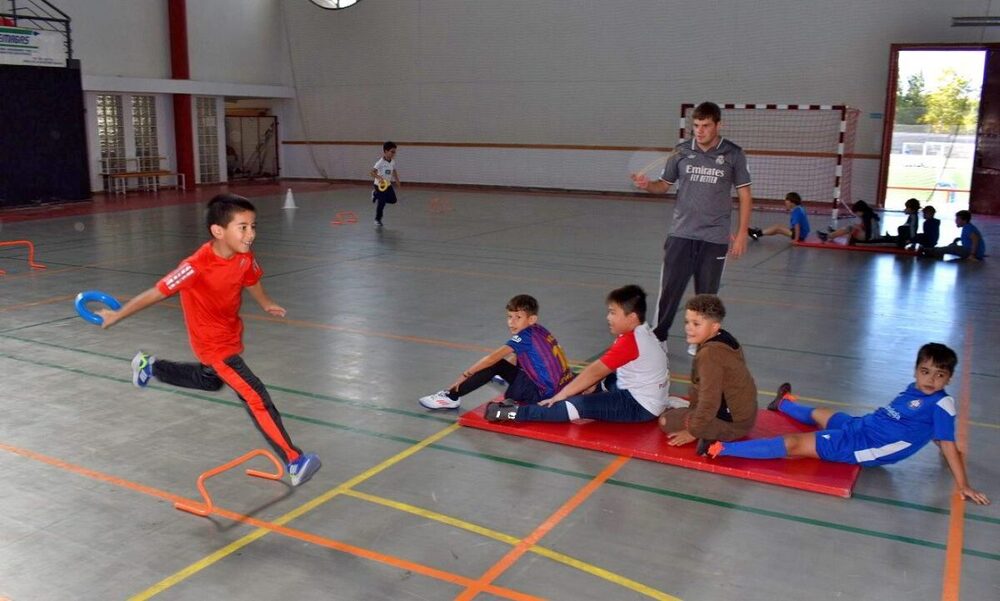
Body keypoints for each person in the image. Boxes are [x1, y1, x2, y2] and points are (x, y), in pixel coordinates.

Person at [95, 194, 322, 487]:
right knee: (255, 395)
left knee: (210, 381)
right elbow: (156, 292)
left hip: (229, 334)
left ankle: (149, 367)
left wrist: (266, 303)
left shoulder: (243, 257)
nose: (251, 234)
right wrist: (117, 315)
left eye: (253, 226)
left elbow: (251, 279)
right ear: (218, 231)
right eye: (242, 227)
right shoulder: (195, 266)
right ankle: (294, 460)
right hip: (213, 345)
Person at [706, 343, 990, 506]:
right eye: (925, 372)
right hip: (862, 426)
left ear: (949, 379)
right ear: (915, 370)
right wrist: (938, 442)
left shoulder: (941, 403)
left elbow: (948, 441)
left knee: (795, 444)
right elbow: (927, 429)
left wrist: (963, 484)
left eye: (939, 375)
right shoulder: (915, 389)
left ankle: (720, 448)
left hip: (863, 446)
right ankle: (783, 405)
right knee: (826, 414)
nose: (930, 380)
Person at [631, 101, 753, 357]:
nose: (699, 131)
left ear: (718, 125)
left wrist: (741, 233)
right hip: (681, 234)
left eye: (706, 126)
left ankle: (700, 340)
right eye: (696, 125)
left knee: (707, 295)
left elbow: (745, 195)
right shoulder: (681, 152)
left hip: (715, 236)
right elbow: (663, 185)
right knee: (670, 289)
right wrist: (647, 185)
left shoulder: (733, 154)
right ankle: (660, 336)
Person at [484, 285, 669, 425]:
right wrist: (593, 384)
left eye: (613, 313)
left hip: (638, 405)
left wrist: (561, 396)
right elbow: (604, 371)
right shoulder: (641, 332)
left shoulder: (630, 342)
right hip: (645, 393)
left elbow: (594, 371)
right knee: (602, 381)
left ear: (632, 317)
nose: (608, 317)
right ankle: (594, 397)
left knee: (575, 404)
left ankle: (508, 413)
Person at [418, 294, 573, 410]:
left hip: (540, 395)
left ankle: (451, 397)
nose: (512, 322)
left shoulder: (524, 337)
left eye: (518, 317)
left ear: (531, 319)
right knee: (514, 359)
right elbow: (524, 355)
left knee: (494, 365)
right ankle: (502, 377)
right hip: (559, 387)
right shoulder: (539, 330)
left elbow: (491, 359)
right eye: (509, 317)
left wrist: (465, 375)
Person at [659, 294, 757, 455]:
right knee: (684, 410)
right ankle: (707, 428)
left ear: (714, 327)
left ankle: (710, 434)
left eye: (696, 323)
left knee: (665, 420)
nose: (688, 328)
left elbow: (709, 400)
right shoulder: (723, 338)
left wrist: (693, 431)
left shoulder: (710, 354)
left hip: (733, 425)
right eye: (687, 322)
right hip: (744, 416)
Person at [920, 210, 986, 261]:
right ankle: (935, 251)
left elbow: (975, 240)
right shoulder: (968, 227)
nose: (956, 221)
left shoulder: (968, 228)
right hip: (973, 251)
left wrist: (972, 255)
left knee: (952, 248)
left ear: (964, 220)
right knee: (952, 246)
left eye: (958, 219)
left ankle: (930, 251)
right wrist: (959, 239)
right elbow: (970, 238)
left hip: (971, 252)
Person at [370, 141, 401, 227]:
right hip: (379, 185)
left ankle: (375, 195)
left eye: (394, 152)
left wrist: (397, 180)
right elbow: (372, 173)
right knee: (382, 202)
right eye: (392, 151)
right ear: (386, 151)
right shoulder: (380, 162)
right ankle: (377, 219)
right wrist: (379, 178)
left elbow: (394, 170)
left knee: (393, 200)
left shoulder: (392, 161)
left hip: (388, 185)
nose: (394, 154)